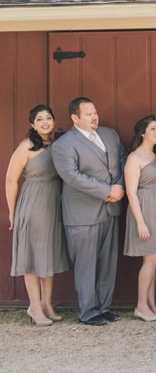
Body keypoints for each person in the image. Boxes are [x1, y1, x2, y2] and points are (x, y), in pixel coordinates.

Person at [51, 97, 127, 326]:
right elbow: (73, 177)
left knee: (107, 263)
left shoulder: (110, 134)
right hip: (82, 214)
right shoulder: (63, 145)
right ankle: (88, 312)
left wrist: (119, 188)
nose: (94, 117)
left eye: (95, 112)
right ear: (75, 118)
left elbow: (123, 160)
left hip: (111, 209)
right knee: (86, 265)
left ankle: (103, 307)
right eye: (88, 114)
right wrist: (107, 190)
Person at [6, 105, 69, 326]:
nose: (45, 122)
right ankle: (34, 306)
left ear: (53, 122)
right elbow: (10, 180)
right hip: (33, 201)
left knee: (48, 252)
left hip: (52, 201)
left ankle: (47, 303)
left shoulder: (56, 145)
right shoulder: (26, 146)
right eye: (40, 119)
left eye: (48, 118)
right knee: (32, 254)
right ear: (32, 124)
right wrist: (13, 211)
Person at [123, 115, 156, 322]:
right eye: (152, 128)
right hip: (145, 209)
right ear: (142, 133)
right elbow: (131, 193)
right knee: (151, 258)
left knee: (155, 258)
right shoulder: (134, 158)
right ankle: (140, 305)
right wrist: (140, 221)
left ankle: (151, 304)